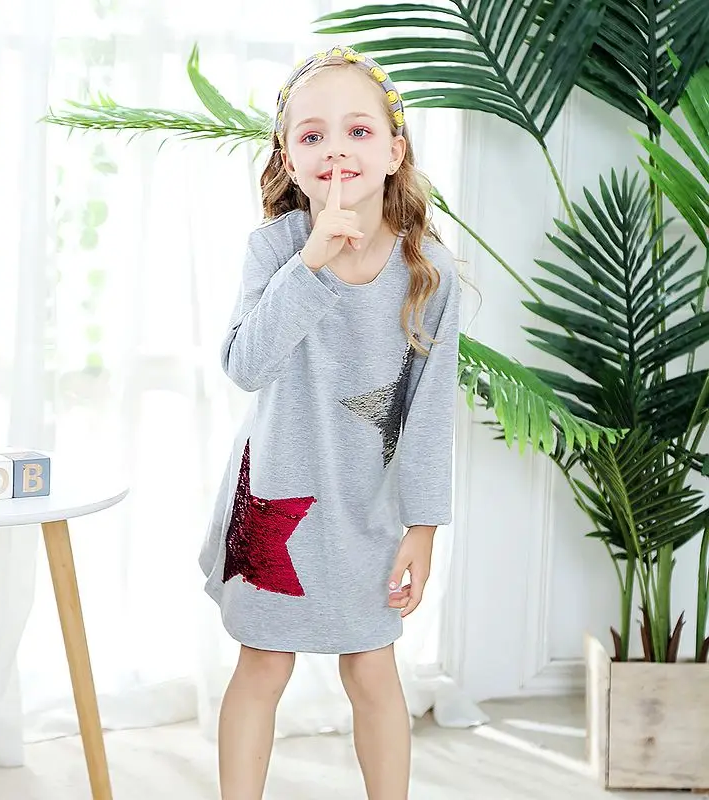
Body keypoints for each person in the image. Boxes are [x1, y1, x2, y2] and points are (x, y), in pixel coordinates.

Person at [198, 43, 461, 800]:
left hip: (365, 510)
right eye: (312, 135)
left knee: (372, 669)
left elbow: (428, 414)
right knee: (263, 663)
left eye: (358, 131)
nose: (336, 149)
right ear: (289, 157)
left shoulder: (429, 272)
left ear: (394, 151)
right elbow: (245, 365)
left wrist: (423, 528)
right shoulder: (274, 251)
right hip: (273, 505)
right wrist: (309, 264)